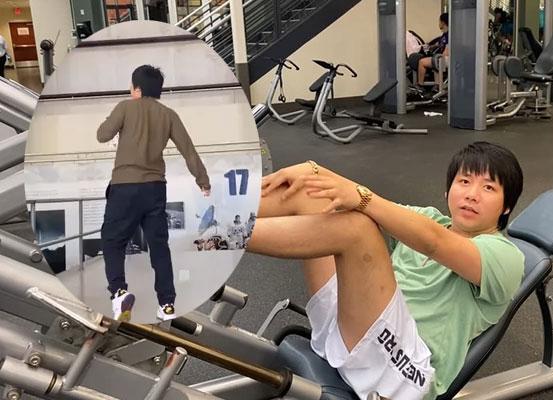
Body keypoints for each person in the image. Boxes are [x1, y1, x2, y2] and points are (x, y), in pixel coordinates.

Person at [247, 142, 525, 400]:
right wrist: (315, 171)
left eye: (489, 188)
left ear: (506, 206)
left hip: (402, 372)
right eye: (464, 182)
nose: (472, 195)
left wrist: (356, 194)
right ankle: (223, 214)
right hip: (354, 332)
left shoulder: (505, 256)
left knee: (358, 230)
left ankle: (225, 236)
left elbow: (433, 241)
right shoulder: (429, 218)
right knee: (311, 190)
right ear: (447, 191)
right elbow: (364, 201)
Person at [97, 65, 211, 322]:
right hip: (155, 189)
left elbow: (102, 135)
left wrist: (110, 121)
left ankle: (119, 292)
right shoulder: (169, 115)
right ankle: (167, 304)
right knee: (159, 246)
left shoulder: (125, 107)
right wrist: (203, 181)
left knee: (112, 240)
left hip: (124, 187)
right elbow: (188, 151)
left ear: (136, 89)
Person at [417, 13, 449, 87]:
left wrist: (437, 57)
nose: (439, 23)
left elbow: (447, 51)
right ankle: (437, 86)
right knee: (435, 61)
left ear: (443, 22)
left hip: (446, 59)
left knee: (421, 62)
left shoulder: (449, 35)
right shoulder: (445, 34)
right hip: (442, 58)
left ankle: (420, 85)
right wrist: (430, 46)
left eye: (439, 21)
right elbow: (439, 44)